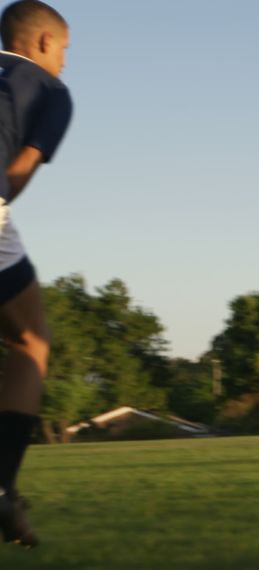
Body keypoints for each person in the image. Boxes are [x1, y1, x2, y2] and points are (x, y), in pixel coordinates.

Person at [0, 0, 73, 550]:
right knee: (31, 340)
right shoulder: (50, 91)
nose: (66, 63)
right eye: (66, 50)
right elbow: (20, 167)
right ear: (44, 42)